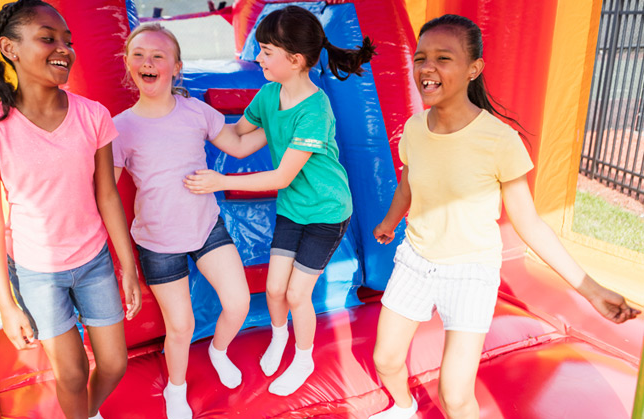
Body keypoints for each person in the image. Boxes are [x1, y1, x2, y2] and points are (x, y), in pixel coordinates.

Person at [368, 14, 641, 419]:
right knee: (386, 361)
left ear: (473, 69)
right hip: (416, 260)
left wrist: (592, 290)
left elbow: (529, 223)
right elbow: (409, 184)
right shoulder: (413, 128)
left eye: (444, 58)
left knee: (455, 397)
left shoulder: (499, 140)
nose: (427, 67)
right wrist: (391, 221)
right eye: (421, 57)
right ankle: (403, 408)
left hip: (470, 272)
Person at [0, 1, 142, 418]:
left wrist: (128, 266)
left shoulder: (93, 116)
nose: (63, 48)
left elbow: (107, 196)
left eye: (68, 41)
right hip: (36, 271)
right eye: (48, 38)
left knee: (115, 364)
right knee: (71, 374)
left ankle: (85, 412)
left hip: (93, 260)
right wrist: (6, 304)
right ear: (9, 49)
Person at [183, 5, 375, 397]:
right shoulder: (270, 96)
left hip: (325, 211)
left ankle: (303, 360)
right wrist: (190, 112)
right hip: (293, 208)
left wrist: (220, 180)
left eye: (267, 52)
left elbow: (282, 175)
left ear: (296, 59)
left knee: (297, 293)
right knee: (273, 289)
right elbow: (237, 142)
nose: (257, 58)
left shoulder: (315, 109)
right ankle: (279, 334)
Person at [112, 23, 256, 419]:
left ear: (176, 68)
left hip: (206, 227)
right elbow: (107, 193)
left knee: (239, 301)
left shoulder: (195, 111)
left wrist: (286, 125)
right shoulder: (121, 127)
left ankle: (219, 350)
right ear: (127, 65)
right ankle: (177, 388)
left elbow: (240, 144)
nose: (148, 62)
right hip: (157, 242)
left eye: (159, 56)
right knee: (180, 326)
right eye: (139, 54)